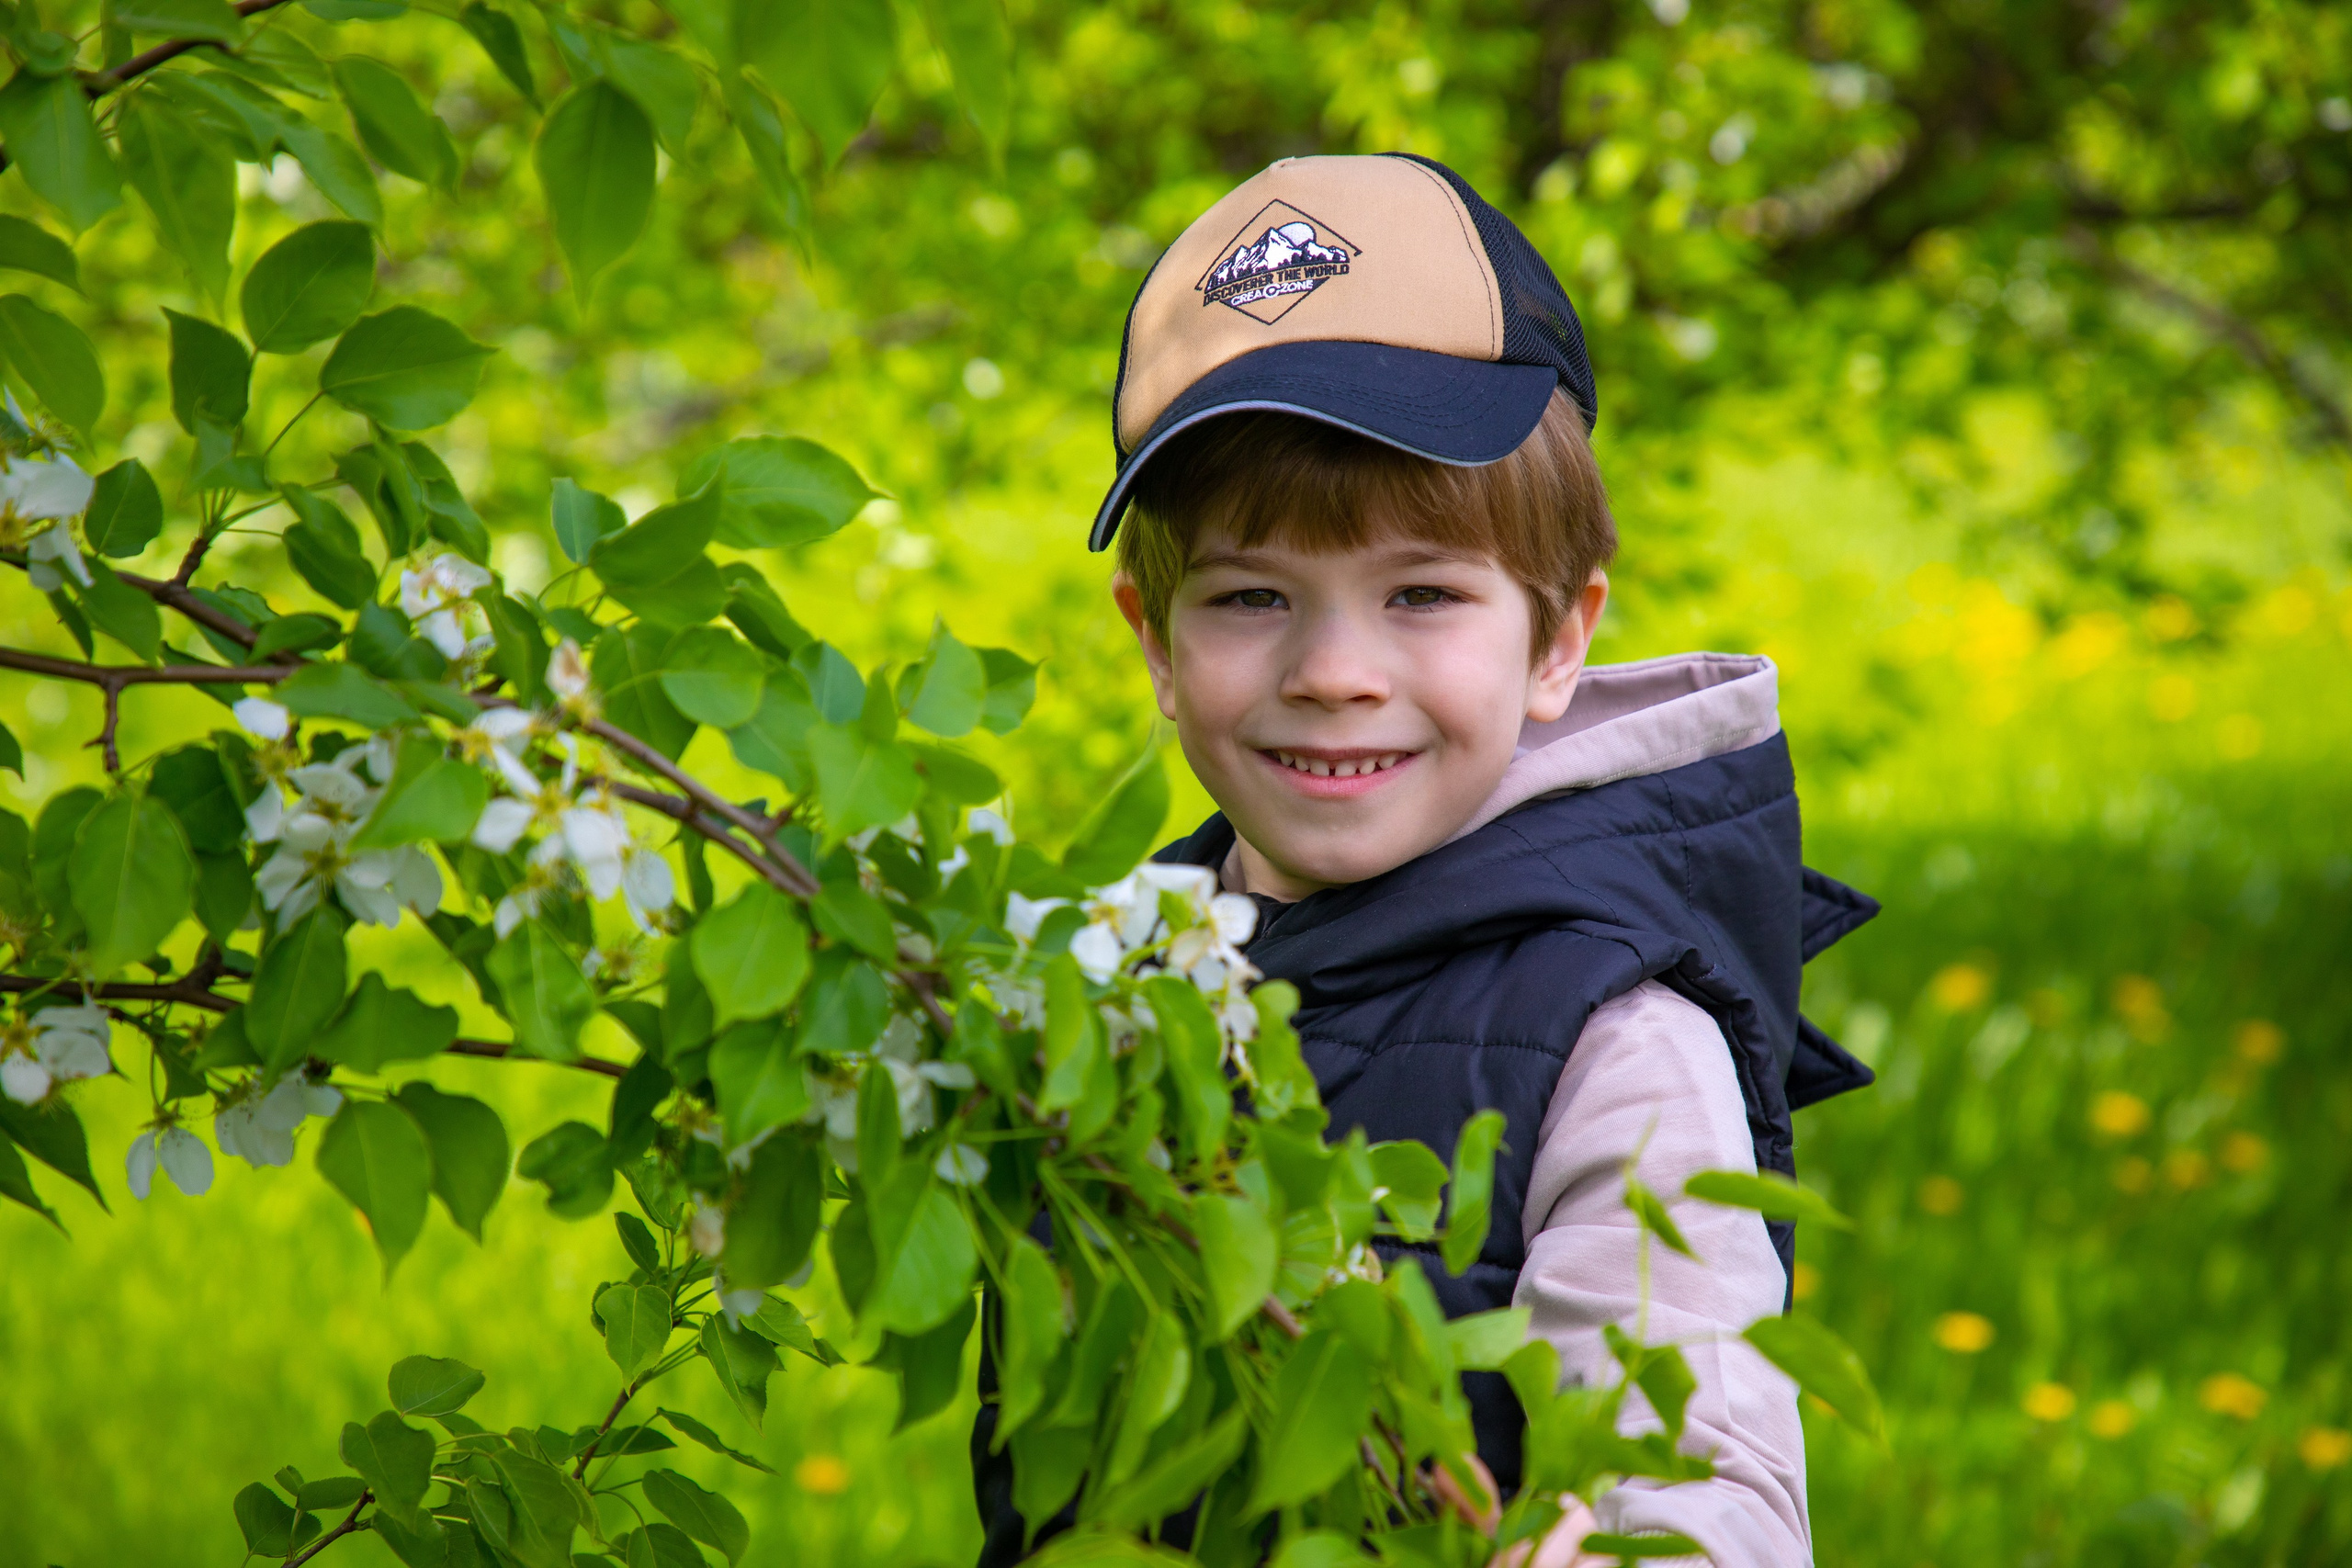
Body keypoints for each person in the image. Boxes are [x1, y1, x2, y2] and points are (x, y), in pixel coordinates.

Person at [974, 152, 1880, 1567]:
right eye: (1252, 596)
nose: (1335, 672)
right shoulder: (1109, 995)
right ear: (1153, 638)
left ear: (1560, 637)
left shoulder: (1616, 1040)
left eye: (1422, 594)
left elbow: (1699, 1480)